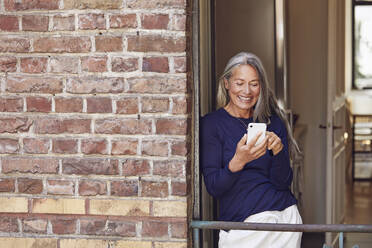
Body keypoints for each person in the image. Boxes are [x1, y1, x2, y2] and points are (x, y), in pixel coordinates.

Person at [200, 52, 302, 248]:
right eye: (240, 83)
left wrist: (279, 153)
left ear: (261, 86)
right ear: (226, 83)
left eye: (254, 84)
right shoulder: (212, 124)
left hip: (285, 219)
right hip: (243, 228)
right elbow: (213, 187)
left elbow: (283, 183)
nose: (247, 91)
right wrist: (239, 160)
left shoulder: (273, 122)